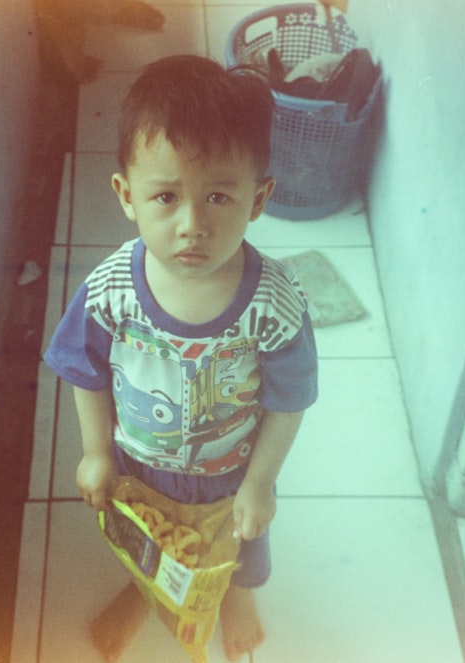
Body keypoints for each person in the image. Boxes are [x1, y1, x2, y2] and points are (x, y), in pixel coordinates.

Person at [43, 55, 319, 662]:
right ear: (126, 196)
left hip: (232, 468)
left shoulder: (273, 305)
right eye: (165, 196)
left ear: (258, 199)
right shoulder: (110, 289)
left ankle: (237, 596)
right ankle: (146, 593)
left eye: (219, 195)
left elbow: (289, 398)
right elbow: (83, 371)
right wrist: (95, 453)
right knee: (151, 544)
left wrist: (262, 483)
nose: (192, 225)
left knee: (242, 540)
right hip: (139, 464)